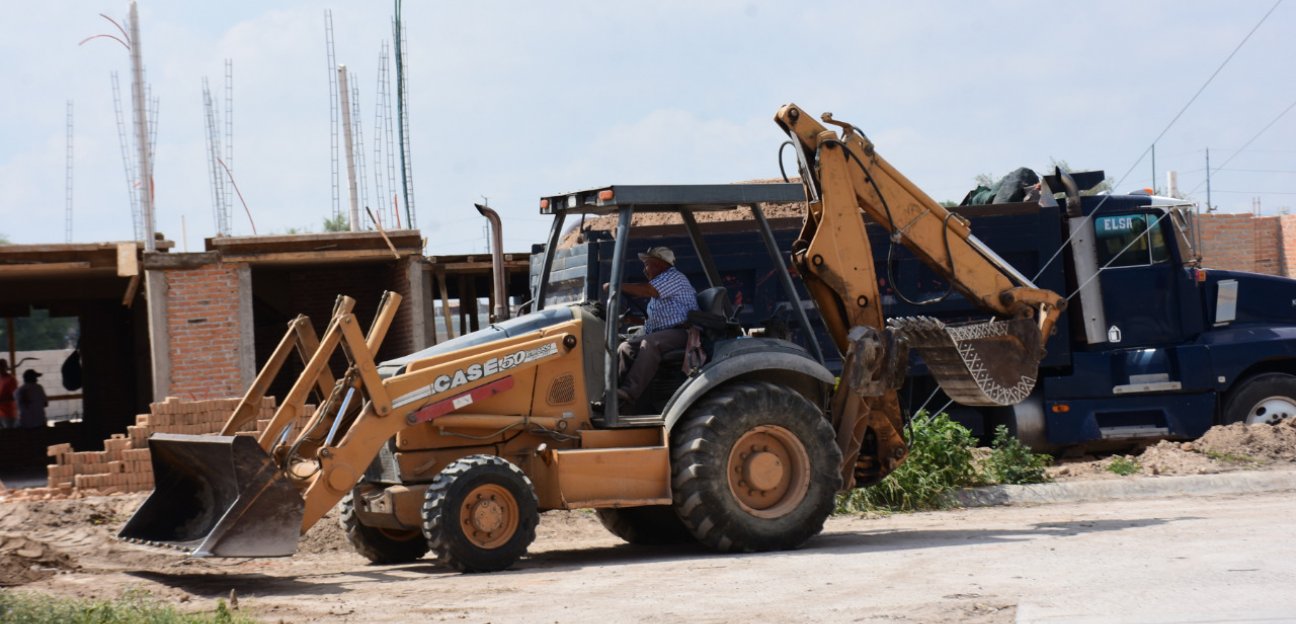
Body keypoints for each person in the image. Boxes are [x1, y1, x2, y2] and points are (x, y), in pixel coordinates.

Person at [613, 246, 699, 408]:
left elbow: (646, 290)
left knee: (650, 344)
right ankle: (615, 396)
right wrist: (631, 320)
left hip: (682, 332)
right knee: (625, 347)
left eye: (647, 264)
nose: (644, 269)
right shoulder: (660, 286)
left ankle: (629, 393)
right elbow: (657, 321)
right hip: (665, 333)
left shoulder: (673, 277)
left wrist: (616, 286)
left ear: (659, 264)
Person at [0, 360, 16, 429]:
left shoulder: (11, 379)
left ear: (5, 367)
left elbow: (14, 397)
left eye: (2, 366)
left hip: (8, 414)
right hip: (1, 413)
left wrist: (1, 400)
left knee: (9, 434)